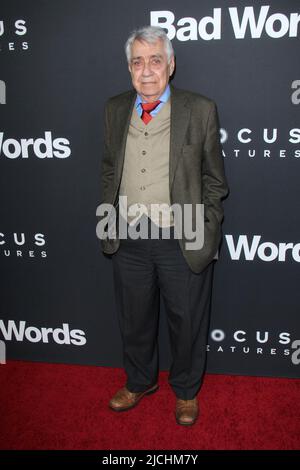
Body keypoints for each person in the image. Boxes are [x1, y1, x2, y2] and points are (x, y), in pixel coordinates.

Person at [99, 25, 228, 426]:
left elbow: (215, 181)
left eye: (155, 59)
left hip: (183, 231)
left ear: (170, 65)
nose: (147, 69)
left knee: (187, 322)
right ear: (129, 68)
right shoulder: (115, 108)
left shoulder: (200, 109)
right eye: (137, 61)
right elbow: (109, 169)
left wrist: (205, 230)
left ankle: (186, 391)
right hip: (128, 231)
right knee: (134, 318)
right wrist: (108, 216)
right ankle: (139, 381)